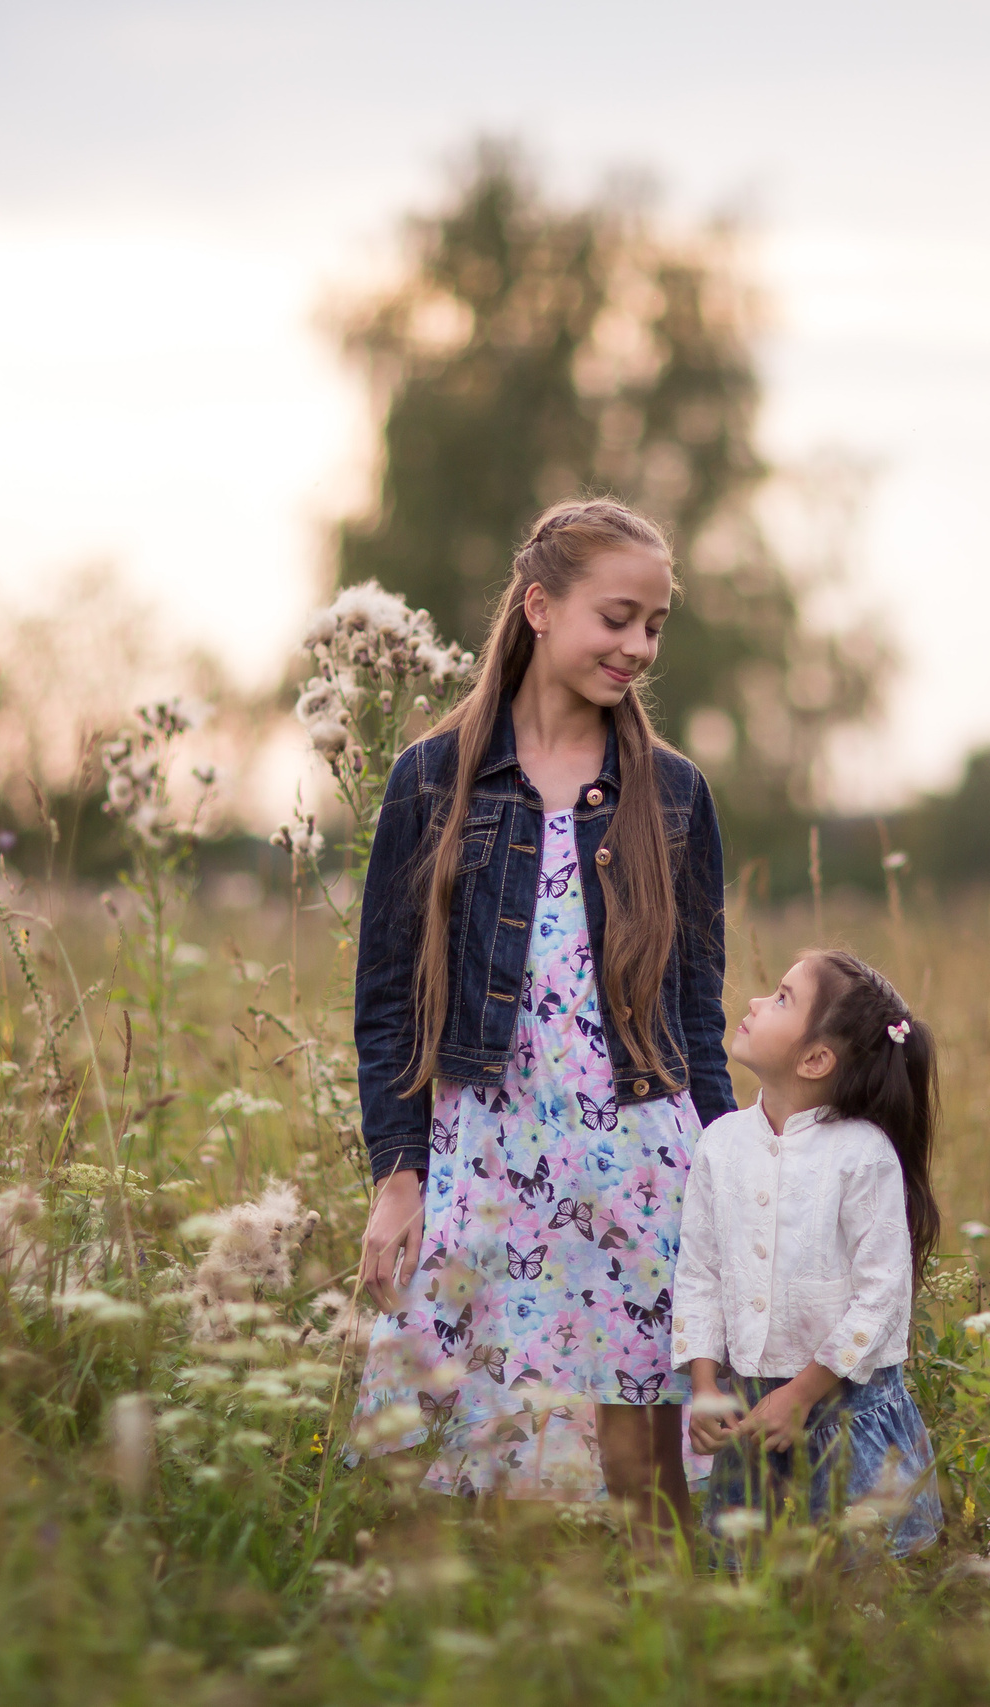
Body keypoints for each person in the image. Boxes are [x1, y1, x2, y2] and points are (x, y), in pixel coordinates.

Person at [348, 498, 733, 1530]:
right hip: (484, 1154)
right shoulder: (432, 780)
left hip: (641, 1157)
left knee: (647, 1467)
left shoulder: (678, 794)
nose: (637, 647)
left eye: (653, 625)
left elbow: (700, 1015)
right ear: (537, 607)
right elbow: (385, 1003)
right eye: (616, 618)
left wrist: (737, 1182)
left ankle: (659, 1652)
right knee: (466, 1458)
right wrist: (397, 1178)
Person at [674, 949, 945, 1558]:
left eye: (781, 998)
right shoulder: (721, 1143)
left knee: (856, 1581)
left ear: (816, 1058)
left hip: (843, 1410)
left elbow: (881, 1296)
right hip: (750, 1413)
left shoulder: (862, 1154)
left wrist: (800, 1394)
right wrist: (705, 1383)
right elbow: (700, 1271)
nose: (753, 1002)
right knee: (755, 1584)